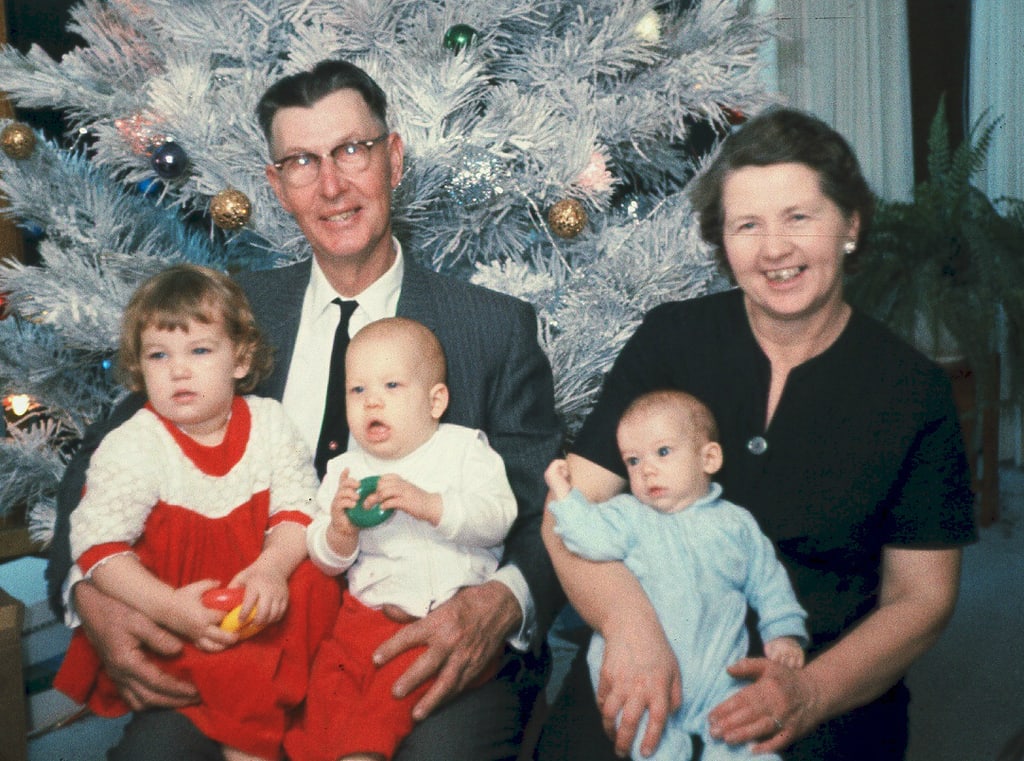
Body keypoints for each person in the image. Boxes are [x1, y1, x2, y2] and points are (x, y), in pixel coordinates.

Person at [46, 60, 563, 761]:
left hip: (422, 630)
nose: (331, 184)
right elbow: (100, 465)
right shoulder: (226, 312)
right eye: (301, 160)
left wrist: (497, 603)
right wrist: (95, 597)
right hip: (251, 637)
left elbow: (547, 515)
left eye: (352, 150)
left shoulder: (490, 327)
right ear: (276, 186)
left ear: (395, 158)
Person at [536, 107, 977, 761]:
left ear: (851, 224)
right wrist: (628, 625)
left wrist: (813, 690)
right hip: (648, 651)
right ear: (724, 240)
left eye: (799, 217)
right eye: (748, 224)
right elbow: (567, 510)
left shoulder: (914, 392)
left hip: (818, 684)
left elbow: (922, 597)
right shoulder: (671, 338)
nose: (774, 249)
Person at [52, 264, 339, 761]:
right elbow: (98, 549)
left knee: (316, 581)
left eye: (200, 351)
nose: (178, 370)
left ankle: (279, 694)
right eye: (158, 356)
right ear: (141, 369)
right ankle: (246, 738)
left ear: (240, 360)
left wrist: (270, 570)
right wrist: (169, 609)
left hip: (254, 591)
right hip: (182, 605)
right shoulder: (135, 443)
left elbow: (300, 508)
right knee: (225, 664)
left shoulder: (269, 423)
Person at [287, 317, 519, 761]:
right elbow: (324, 558)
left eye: (392, 385)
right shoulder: (344, 471)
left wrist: (431, 504)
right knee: (326, 698)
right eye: (357, 390)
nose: (372, 399)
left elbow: (499, 518)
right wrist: (339, 530)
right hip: (362, 620)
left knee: (380, 710)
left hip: (441, 621)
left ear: (435, 401)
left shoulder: (464, 449)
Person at [544, 389, 807, 761]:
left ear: (709, 457)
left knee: (744, 736)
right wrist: (565, 495)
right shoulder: (628, 516)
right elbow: (586, 537)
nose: (646, 469)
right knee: (648, 740)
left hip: (721, 677)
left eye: (662, 452)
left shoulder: (736, 525)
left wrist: (782, 632)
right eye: (632, 461)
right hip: (638, 675)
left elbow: (768, 581)